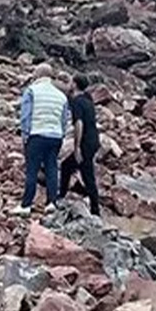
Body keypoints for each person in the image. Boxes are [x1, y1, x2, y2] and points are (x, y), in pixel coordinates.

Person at [11, 63, 70, 216]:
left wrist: (25, 135)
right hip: (55, 136)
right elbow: (64, 119)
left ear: (37, 75)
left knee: (32, 170)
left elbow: (26, 116)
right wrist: (61, 134)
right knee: (52, 168)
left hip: (36, 135)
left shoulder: (31, 91)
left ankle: (26, 205)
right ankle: (51, 202)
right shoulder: (61, 96)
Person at [59, 73, 101, 216]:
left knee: (86, 173)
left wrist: (77, 148)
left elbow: (79, 123)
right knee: (69, 166)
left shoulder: (77, 102)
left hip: (85, 142)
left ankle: (95, 210)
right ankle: (63, 196)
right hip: (94, 139)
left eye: (71, 82)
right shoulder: (87, 99)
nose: (69, 84)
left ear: (75, 84)